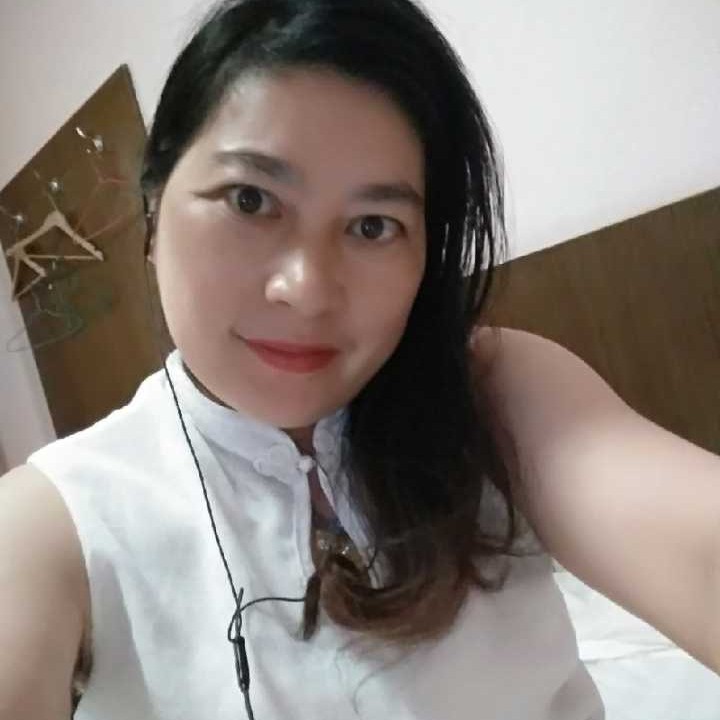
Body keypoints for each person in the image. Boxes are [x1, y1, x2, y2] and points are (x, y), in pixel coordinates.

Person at [1, 0, 718, 718]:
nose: (308, 289)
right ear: (154, 208)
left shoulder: (494, 392)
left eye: (374, 225)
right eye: (250, 200)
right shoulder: (53, 525)